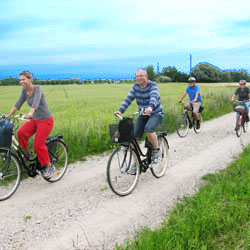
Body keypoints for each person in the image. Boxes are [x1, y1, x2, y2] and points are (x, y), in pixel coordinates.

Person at [5, 72, 54, 178]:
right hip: (35, 120)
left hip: (45, 121)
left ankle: (49, 166)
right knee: (21, 133)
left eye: (23, 79)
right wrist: (8, 115)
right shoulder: (24, 91)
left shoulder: (37, 89)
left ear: (30, 79)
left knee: (38, 145)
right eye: (20, 80)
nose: (21, 82)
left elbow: (35, 103)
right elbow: (18, 104)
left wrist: (30, 113)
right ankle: (27, 155)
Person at [116, 69, 164, 174]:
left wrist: (151, 107)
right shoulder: (136, 87)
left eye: (141, 76)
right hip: (143, 114)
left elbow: (154, 97)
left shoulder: (152, 85)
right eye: (137, 76)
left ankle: (157, 150)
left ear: (146, 76)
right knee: (134, 137)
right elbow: (128, 99)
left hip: (156, 113)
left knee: (148, 129)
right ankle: (135, 164)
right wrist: (120, 110)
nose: (138, 78)